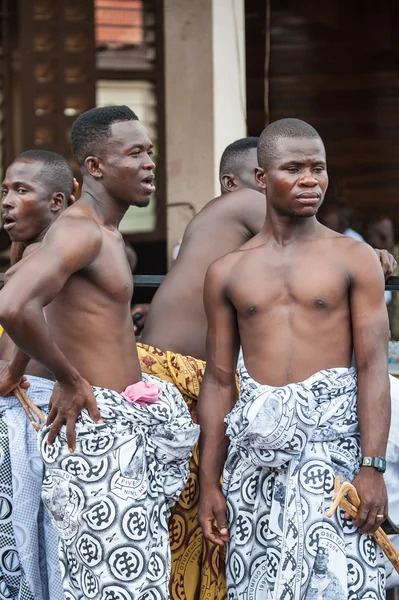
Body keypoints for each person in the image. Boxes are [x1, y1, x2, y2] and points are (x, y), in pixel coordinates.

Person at [0, 106, 198, 600]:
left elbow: (42, 307)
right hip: (94, 434)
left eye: (149, 151)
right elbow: (14, 303)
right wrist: (70, 378)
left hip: (119, 431)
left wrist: (18, 364)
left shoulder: (103, 232)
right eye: (135, 153)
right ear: (94, 167)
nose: (149, 163)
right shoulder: (80, 229)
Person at [198, 118, 390, 600]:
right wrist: (210, 482)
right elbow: (219, 383)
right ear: (261, 178)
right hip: (255, 468)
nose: (311, 180)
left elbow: (372, 368)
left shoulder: (353, 257)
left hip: (335, 464)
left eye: (318, 169)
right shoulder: (227, 271)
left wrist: (372, 467)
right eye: (294, 169)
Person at [0, 149, 75, 600]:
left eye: (21, 191)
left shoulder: (53, 256)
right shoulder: (31, 253)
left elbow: (12, 361)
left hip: (32, 422)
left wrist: (13, 369)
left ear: (58, 202)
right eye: (5, 191)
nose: (8, 201)